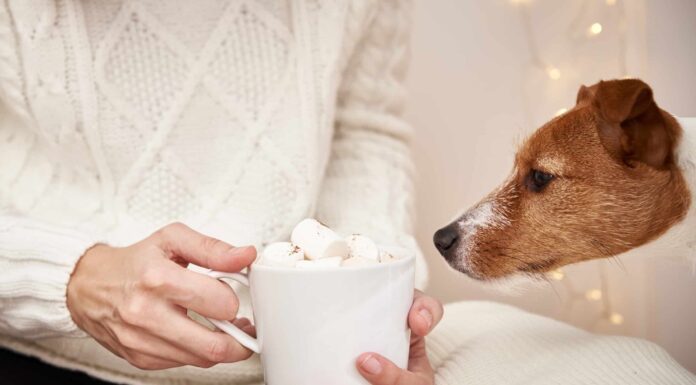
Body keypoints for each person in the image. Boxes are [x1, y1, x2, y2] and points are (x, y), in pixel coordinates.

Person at [0, 0, 443, 384]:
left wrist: (376, 298)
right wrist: (69, 277)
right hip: (41, 355)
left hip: (304, 366)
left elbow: (363, 127)